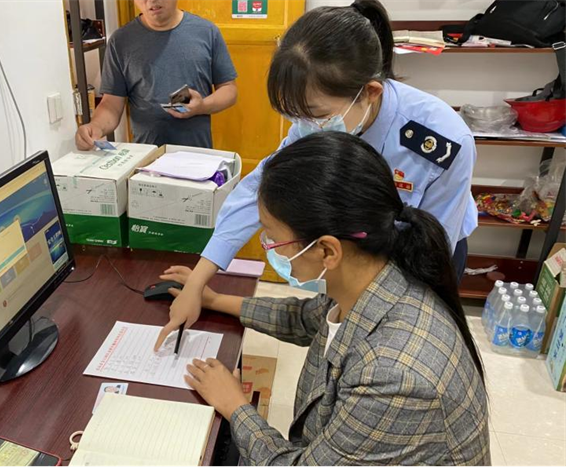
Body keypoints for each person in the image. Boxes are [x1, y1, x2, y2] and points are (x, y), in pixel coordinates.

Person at [154, 0, 477, 350]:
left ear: (370, 92)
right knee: (335, 329)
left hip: (423, 257)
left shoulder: (440, 140)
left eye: (315, 114)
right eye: (296, 115)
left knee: (392, 343)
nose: (304, 127)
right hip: (354, 248)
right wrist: (198, 281)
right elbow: (258, 190)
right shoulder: (316, 121)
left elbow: (433, 243)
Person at [163, 132, 489, 465]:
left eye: (272, 238)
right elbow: (305, 318)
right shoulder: (374, 275)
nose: (269, 247)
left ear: (327, 250)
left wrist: (236, 406)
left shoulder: (394, 376)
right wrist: (215, 300)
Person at [74, 0, 238, 150]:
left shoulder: (207, 32)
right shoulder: (121, 41)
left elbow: (229, 89)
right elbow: (111, 103)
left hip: (197, 155)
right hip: (147, 157)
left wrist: (202, 106)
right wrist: (95, 127)